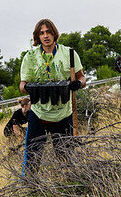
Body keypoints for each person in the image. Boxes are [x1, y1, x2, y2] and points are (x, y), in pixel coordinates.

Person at [19, 19, 86, 174]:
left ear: (54, 33)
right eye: (41, 33)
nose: (46, 36)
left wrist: (78, 83)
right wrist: (28, 87)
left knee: (66, 158)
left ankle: (69, 186)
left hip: (63, 114)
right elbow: (22, 85)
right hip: (39, 114)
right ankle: (29, 189)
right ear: (37, 36)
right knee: (32, 159)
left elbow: (82, 77)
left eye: (48, 32)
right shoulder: (30, 57)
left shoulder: (68, 53)